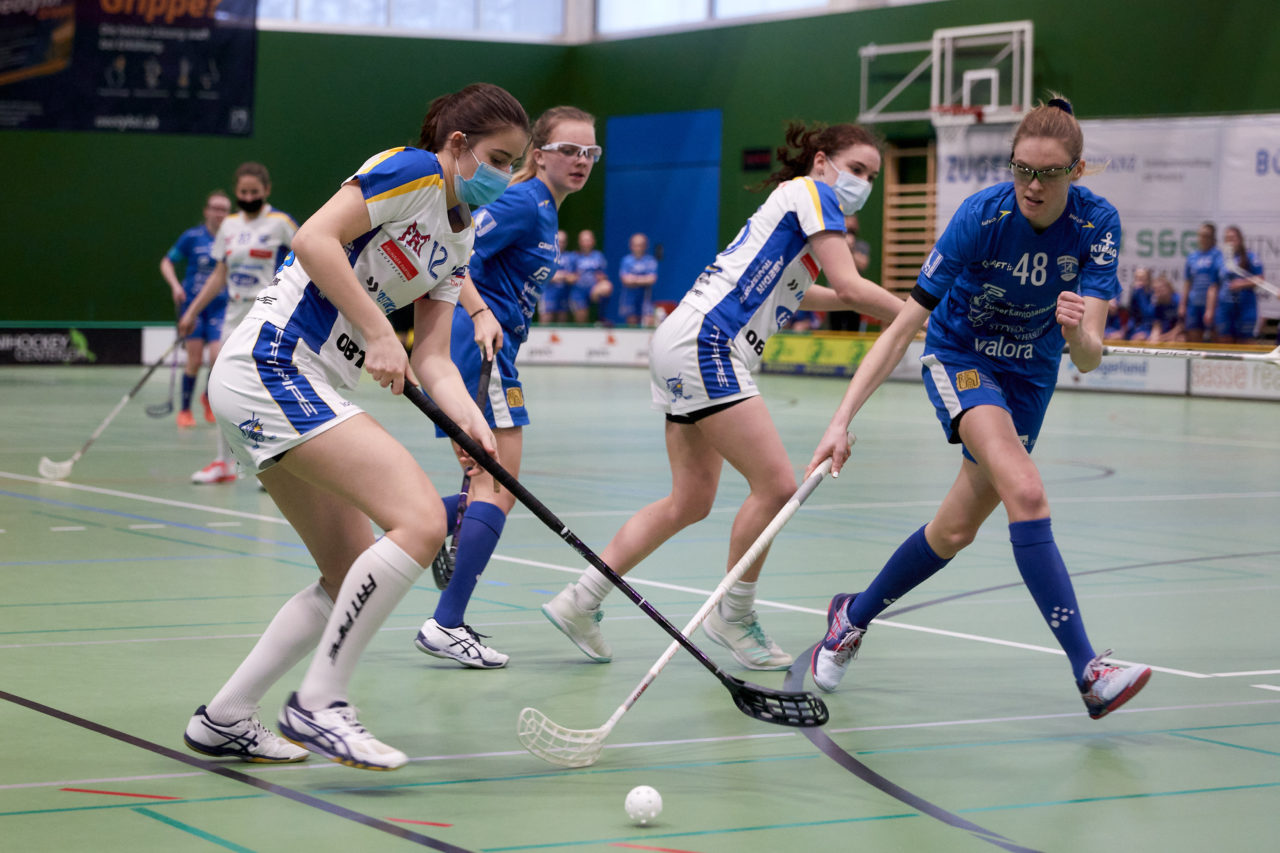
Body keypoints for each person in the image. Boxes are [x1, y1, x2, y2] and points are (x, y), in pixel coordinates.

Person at [181, 83, 529, 770]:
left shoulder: (458, 234)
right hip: (273, 362)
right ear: (457, 147)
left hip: (297, 383)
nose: (505, 176)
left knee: (346, 572)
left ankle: (225, 717)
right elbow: (314, 238)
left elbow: (431, 354)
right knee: (422, 518)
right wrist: (376, 331)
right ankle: (322, 702)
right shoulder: (411, 170)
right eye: (498, 158)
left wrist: (470, 426)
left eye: (516, 164)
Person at [805, 95, 1152, 721]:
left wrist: (1077, 333)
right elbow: (904, 325)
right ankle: (1089, 670)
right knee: (1028, 493)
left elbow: (1091, 357)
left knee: (954, 531)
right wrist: (841, 419)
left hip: (1031, 374)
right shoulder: (981, 216)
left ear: (1075, 172)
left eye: (1048, 173)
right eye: (1022, 169)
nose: (1032, 185)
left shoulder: (1098, 224)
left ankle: (850, 616)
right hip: (963, 356)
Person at [541, 120, 904, 670]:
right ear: (823, 161)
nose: (862, 183)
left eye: (872, 176)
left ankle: (580, 599)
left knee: (689, 501)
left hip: (683, 341)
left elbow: (809, 296)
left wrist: (898, 310)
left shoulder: (796, 214)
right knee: (779, 486)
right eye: (856, 169)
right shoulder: (814, 194)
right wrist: (916, 313)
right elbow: (853, 287)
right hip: (709, 345)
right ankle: (732, 616)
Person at [410, 106, 600, 670]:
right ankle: (446, 622)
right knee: (498, 484)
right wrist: (479, 313)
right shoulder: (521, 203)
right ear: (539, 154)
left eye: (591, 153)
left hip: (501, 356)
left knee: (492, 488)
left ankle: (402, 521)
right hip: (477, 350)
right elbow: (452, 252)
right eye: (570, 150)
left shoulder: (546, 213)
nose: (581, 161)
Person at [178, 163, 298, 484]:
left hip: (268, 315)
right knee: (221, 386)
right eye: (243, 193)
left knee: (263, 389)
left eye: (254, 193)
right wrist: (191, 312)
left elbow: (308, 259)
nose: (248, 197)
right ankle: (224, 463)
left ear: (266, 191)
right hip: (233, 317)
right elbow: (220, 275)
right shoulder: (228, 226)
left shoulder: (281, 223)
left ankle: (273, 466)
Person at [160, 190, 232, 427]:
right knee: (194, 359)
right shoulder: (192, 237)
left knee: (216, 357)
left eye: (224, 209)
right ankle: (185, 410)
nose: (219, 213)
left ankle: (208, 399)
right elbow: (167, 262)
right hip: (193, 307)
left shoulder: (232, 238)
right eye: (215, 208)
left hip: (221, 307)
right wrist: (174, 286)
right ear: (206, 211)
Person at [1216, 225, 1263, 344]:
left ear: (1240, 239)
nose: (1230, 242)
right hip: (1225, 308)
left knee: (1245, 342)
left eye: (1233, 238)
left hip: (1245, 306)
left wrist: (1241, 284)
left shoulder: (1250, 257)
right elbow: (1214, 284)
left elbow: (1260, 279)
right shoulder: (1220, 259)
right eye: (1227, 239)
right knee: (1224, 341)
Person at [1179, 222, 1223, 343]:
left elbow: (1216, 284)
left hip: (1212, 304)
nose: (1202, 239)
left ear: (1213, 238)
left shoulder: (1217, 255)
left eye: (1206, 235)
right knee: (1193, 335)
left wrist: (1210, 309)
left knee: (1214, 336)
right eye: (1200, 235)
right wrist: (1183, 305)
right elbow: (1188, 282)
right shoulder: (1192, 257)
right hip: (1194, 303)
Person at [828, 214, 873, 331]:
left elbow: (863, 264)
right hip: (834, 295)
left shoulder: (861, 246)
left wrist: (850, 249)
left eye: (854, 222)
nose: (851, 225)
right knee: (834, 333)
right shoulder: (833, 245)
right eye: (848, 221)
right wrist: (843, 245)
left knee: (853, 331)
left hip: (855, 296)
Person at [569, 228, 612, 324]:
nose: (586, 243)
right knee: (581, 319)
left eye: (588, 240)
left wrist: (600, 279)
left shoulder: (598, 256)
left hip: (593, 290)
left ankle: (599, 318)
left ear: (593, 241)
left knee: (607, 286)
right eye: (584, 240)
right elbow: (569, 277)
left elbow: (604, 276)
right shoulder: (574, 257)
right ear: (579, 242)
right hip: (578, 291)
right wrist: (573, 277)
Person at [618, 231, 658, 327]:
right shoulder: (626, 260)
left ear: (645, 246)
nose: (638, 248)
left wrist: (634, 279)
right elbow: (625, 280)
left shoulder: (650, 260)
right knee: (631, 323)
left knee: (649, 321)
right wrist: (643, 279)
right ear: (631, 246)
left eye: (641, 245)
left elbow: (652, 279)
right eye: (635, 245)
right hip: (629, 297)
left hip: (646, 297)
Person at [540, 228, 575, 323]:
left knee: (562, 324)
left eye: (563, 242)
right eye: (559, 241)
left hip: (564, 297)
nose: (561, 244)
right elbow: (541, 275)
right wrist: (562, 276)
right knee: (545, 324)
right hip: (547, 295)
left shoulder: (571, 257)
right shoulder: (546, 256)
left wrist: (559, 276)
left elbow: (574, 277)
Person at [1145, 274, 1183, 343]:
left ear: (1169, 288)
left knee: (1177, 341)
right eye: (1156, 290)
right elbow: (1156, 326)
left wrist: (1165, 337)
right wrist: (1154, 338)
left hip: (1179, 332)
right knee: (1152, 341)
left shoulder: (1179, 300)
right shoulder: (1155, 305)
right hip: (1165, 332)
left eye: (1161, 288)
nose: (1159, 292)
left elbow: (1181, 325)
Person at [1125, 267, 1154, 341]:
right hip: (1137, 328)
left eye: (1141, 278)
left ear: (1148, 280)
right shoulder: (1135, 293)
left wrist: (1140, 292)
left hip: (1152, 327)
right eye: (1137, 278)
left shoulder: (1154, 293)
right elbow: (1132, 314)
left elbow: (1148, 313)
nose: (1138, 281)